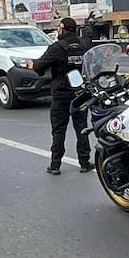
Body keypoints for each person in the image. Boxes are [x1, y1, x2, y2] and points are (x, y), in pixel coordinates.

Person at [33, 17, 92, 175]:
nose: (57, 29)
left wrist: (32, 63)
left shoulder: (57, 48)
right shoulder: (83, 45)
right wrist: (88, 26)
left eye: (59, 27)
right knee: (82, 129)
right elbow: (87, 37)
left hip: (61, 96)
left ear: (63, 29)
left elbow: (39, 67)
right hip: (80, 94)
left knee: (59, 131)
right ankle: (85, 163)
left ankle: (55, 165)